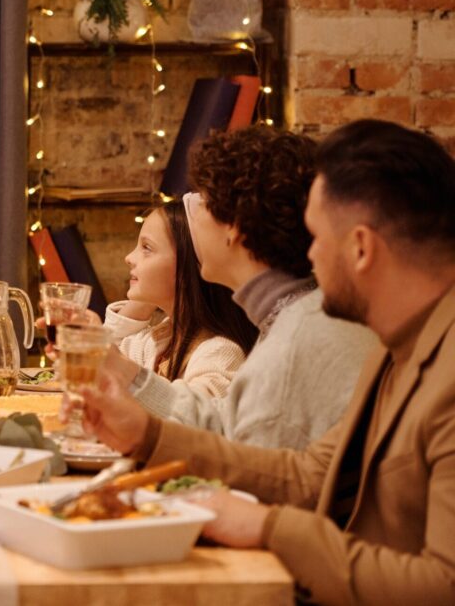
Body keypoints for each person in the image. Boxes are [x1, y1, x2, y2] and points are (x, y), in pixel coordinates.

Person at [78, 119, 455, 604]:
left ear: (361, 248)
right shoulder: (395, 342)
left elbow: (444, 586)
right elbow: (309, 473)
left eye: (317, 237)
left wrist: (268, 527)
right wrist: (146, 435)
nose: (308, 256)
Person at [80, 126, 377, 449]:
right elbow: (225, 422)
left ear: (233, 228)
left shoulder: (295, 339)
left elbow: (252, 462)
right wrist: (123, 376)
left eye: (203, 205)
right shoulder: (291, 317)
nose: (192, 216)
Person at [103, 201, 258, 399]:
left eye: (147, 247)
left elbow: (192, 415)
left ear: (187, 269)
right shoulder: (164, 338)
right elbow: (111, 354)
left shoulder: (221, 351)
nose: (129, 257)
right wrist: (145, 296)